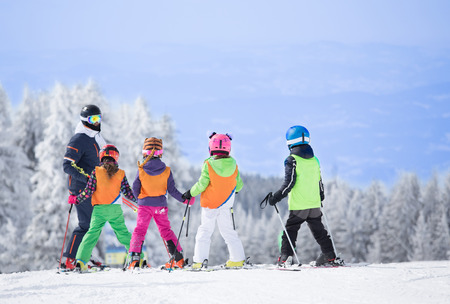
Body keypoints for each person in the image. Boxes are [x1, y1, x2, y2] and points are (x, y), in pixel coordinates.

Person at [267, 125, 338, 266]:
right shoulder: (314, 160)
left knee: (290, 230)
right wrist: (321, 196)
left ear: (290, 142)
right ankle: (330, 256)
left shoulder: (292, 160)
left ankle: (286, 257)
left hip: (299, 205)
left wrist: (276, 197)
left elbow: (289, 183)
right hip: (314, 203)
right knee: (320, 231)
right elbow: (319, 181)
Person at [68, 145, 138, 272]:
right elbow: (128, 192)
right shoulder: (120, 173)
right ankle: (137, 258)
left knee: (91, 235)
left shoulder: (96, 172)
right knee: (123, 233)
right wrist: (140, 200)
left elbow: (88, 191)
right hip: (115, 210)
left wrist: (77, 199)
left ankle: (80, 262)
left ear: (101, 157)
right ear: (116, 157)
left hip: (99, 210)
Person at [127, 137, 192, 270]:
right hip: (160, 207)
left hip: (144, 206)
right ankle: (178, 259)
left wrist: (139, 200)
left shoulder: (141, 170)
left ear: (145, 152)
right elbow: (172, 191)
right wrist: (185, 199)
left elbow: (135, 189)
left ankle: (134, 260)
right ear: (160, 153)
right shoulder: (167, 170)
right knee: (166, 231)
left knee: (139, 231)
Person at [182, 132, 245, 269]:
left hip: (210, 204)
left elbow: (202, 184)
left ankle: (199, 261)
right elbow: (238, 184)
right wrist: (235, 189)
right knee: (228, 231)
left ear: (211, 148)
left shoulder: (208, 164)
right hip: (226, 204)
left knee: (205, 231)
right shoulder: (234, 164)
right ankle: (237, 259)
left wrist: (190, 193)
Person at [62, 105, 106, 270]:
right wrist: (87, 178)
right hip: (82, 188)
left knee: (94, 224)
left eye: (99, 118)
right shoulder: (79, 139)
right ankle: (71, 260)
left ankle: (84, 256)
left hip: (93, 187)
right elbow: (67, 165)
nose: (96, 122)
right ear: (84, 121)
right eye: (93, 119)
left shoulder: (94, 138)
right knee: (85, 225)